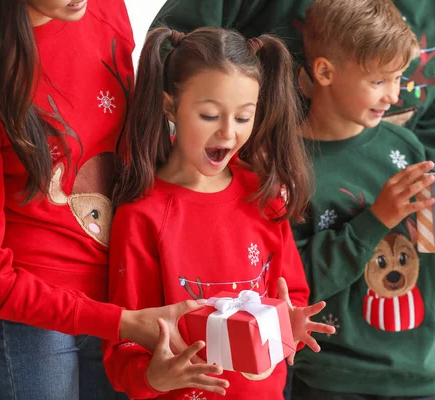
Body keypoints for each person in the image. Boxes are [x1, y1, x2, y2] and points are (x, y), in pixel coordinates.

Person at [0, 1, 206, 399]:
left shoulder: (105, 10)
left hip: (119, 296)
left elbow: (134, 151)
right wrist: (121, 322)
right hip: (24, 320)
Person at [287, 0, 435, 398]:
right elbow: (293, 283)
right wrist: (375, 218)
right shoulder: (289, 166)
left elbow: (422, 251)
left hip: (420, 376)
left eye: (398, 79)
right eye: (378, 81)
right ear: (325, 71)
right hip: (329, 380)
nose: (394, 97)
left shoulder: (406, 148)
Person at [102, 26, 334, 399]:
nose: (228, 132)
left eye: (244, 118)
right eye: (209, 115)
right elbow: (123, 347)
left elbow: (291, 294)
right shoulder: (142, 216)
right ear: (169, 106)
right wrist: (153, 377)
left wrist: (290, 325)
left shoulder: (263, 195)